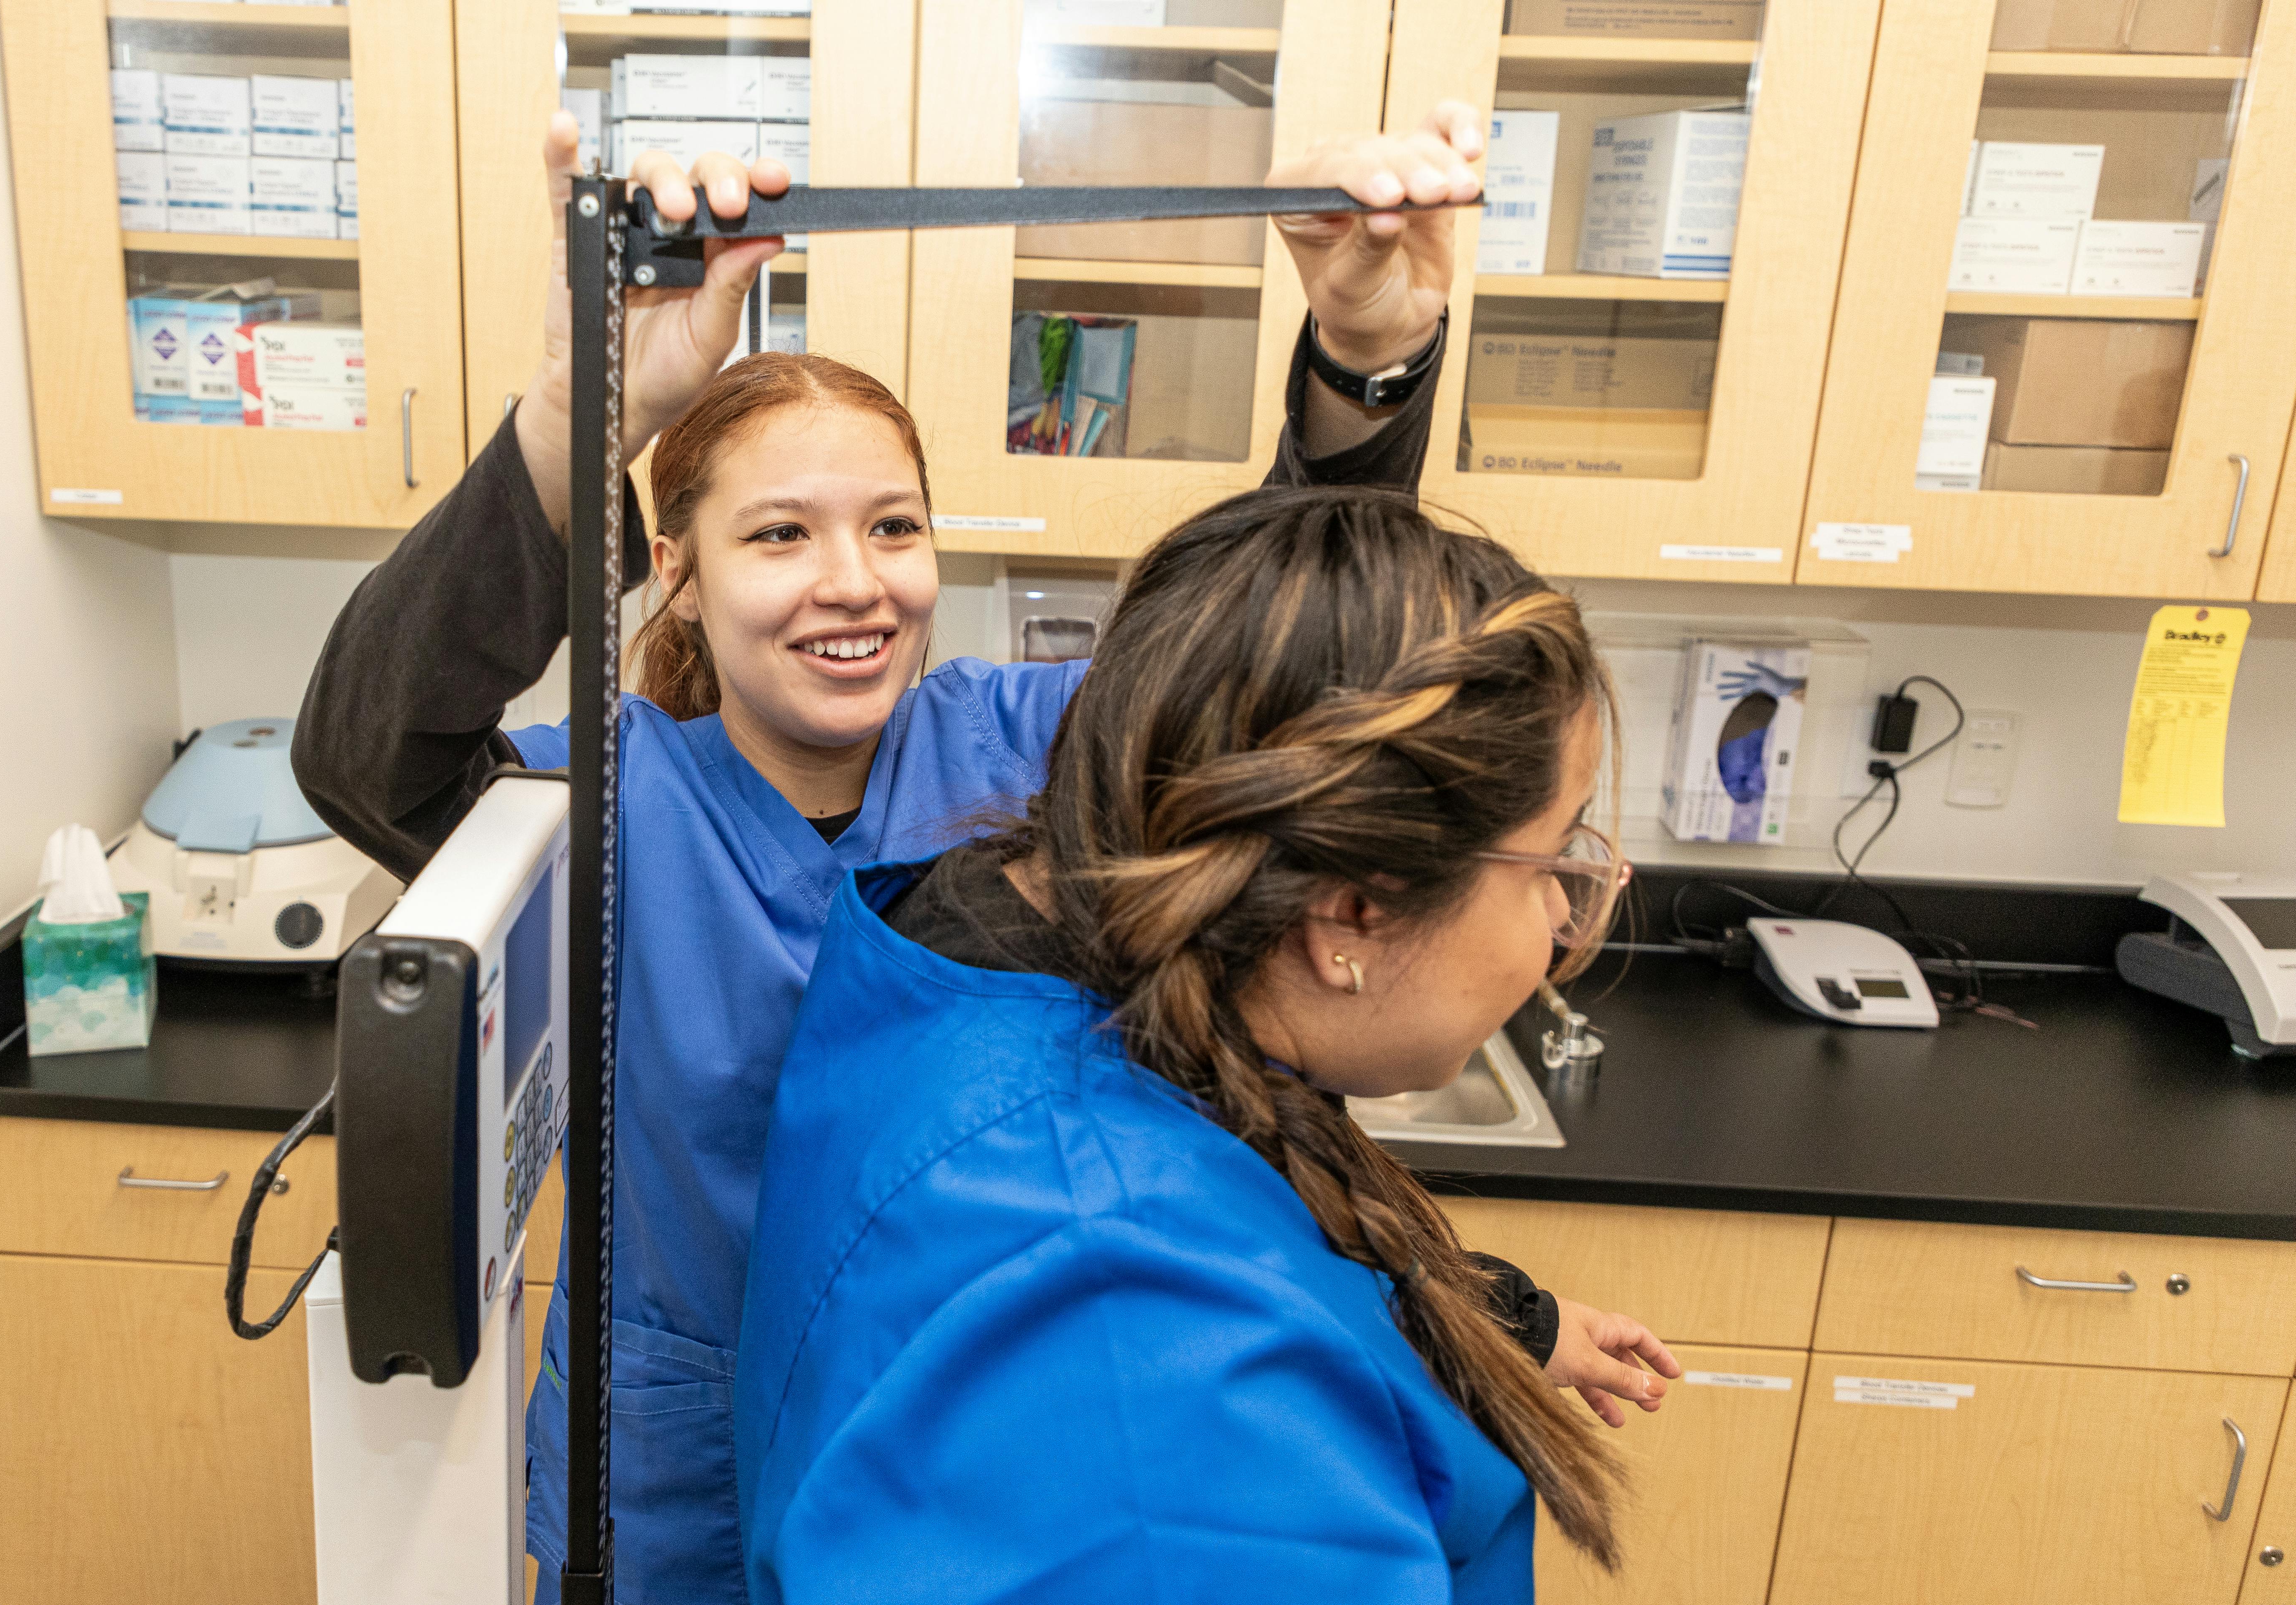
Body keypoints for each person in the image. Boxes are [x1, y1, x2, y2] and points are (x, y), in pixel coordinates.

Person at [294, 105, 1663, 1605]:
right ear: (672, 572)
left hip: (985, 1441)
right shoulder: (617, 800)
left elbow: (1293, 677)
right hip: (678, 1483)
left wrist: (1364, 358)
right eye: (779, 538)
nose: (853, 584)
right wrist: (584, 411)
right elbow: (371, 755)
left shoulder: (1029, 753)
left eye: (894, 525)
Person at [737, 487, 1679, 1602]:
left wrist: (1492, 1316)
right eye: (1552, 860)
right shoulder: (1140, 1338)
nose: (1567, 920)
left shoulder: (989, 942)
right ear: (1351, 916)